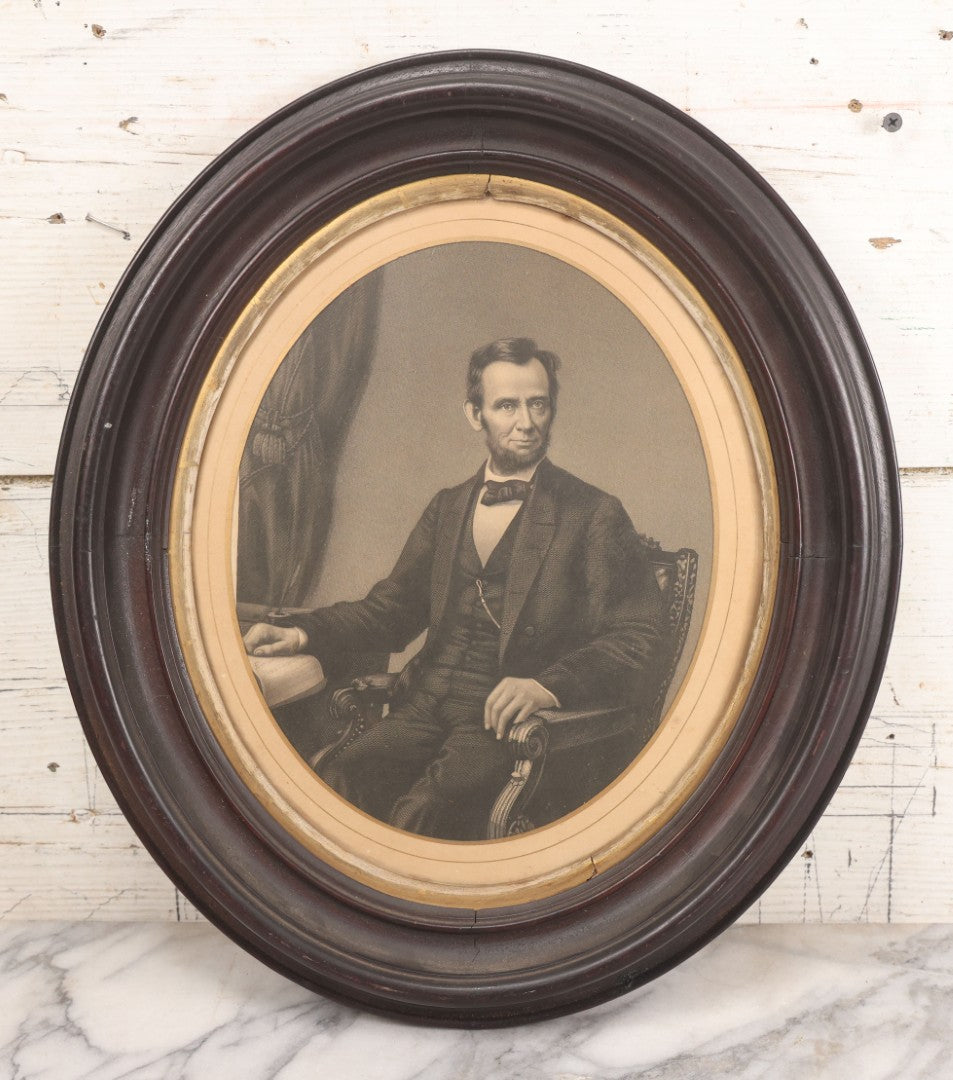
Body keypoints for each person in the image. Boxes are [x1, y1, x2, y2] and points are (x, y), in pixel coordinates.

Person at [243, 338, 666, 840]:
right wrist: (302, 635)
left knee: (424, 814)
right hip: (422, 703)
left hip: (504, 724)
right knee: (335, 783)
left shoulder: (593, 514)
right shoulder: (448, 507)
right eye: (506, 405)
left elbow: (640, 636)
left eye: (538, 404)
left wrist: (546, 685)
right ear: (475, 414)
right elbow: (391, 611)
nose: (526, 422)